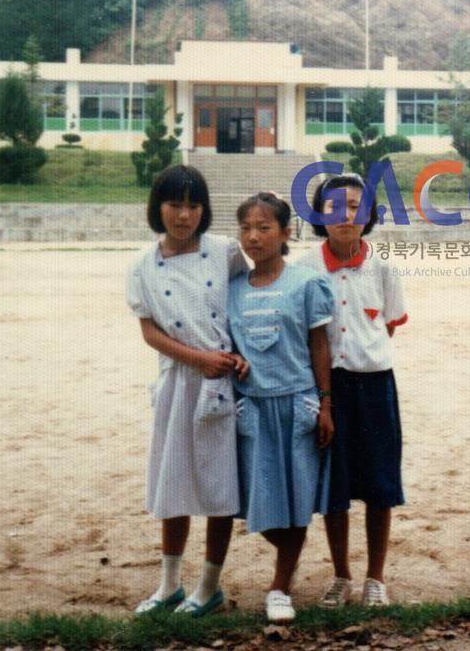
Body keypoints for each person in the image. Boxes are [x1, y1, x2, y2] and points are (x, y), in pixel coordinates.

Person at [125, 165, 249, 617]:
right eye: (175, 204)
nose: (184, 215)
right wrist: (197, 358)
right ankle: (169, 585)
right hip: (179, 381)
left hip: (224, 384)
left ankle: (208, 587)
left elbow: (248, 302)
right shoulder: (142, 264)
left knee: (219, 486)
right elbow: (149, 331)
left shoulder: (225, 252)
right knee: (173, 483)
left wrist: (239, 354)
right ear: (158, 207)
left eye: (193, 205)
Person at [299, 173, 407, 608]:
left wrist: (365, 360)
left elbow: (388, 327)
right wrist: (325, 398)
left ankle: (375, 578)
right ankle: (341, 574)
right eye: (333, 206)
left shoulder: (383, 269)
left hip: (376, 386)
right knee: (335, 486)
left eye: (355, 206)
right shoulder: (305, 270)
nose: (345, 215)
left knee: (380, 482)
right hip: (329, 389)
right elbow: (311, 335)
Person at [228, 191, 334, 624]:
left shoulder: (306, 284)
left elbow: (319, 345)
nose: (253, 237)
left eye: (264, 228)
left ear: (286, 233)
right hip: (251, 409)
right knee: (255, 503)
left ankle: (279, 587)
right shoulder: (231, 290)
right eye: (246, 228)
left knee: (296, 503)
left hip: (297, 407)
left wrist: (326, 404)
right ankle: (284, 568)